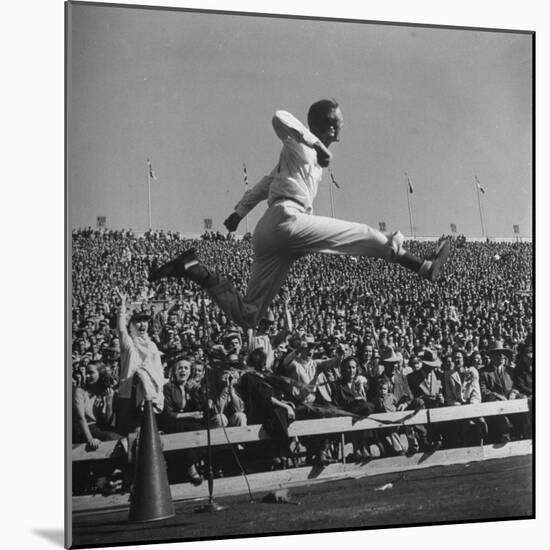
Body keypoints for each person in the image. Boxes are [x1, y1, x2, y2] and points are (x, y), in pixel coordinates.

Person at [149, 99, 451, 330]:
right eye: (341, 122)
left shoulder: (300, 159)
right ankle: (424, 266)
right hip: (287, 222)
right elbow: (279, 117)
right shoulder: (301, 148)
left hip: (270, 233)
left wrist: (239, 212)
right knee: (364, 234)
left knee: (250, 315)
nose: (344, 127)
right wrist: (317, 145)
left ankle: (193, 269)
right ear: (330, 128)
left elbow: (264, 185)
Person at [115, 289, 165, 435]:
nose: (142, 324)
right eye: (138, 321)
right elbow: (121, 330)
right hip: (129, 395)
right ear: (132, 324)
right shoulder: (129, 343)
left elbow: (159, 371)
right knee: (132, 435)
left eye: (145, 321)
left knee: (148, 435)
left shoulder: (152, 346)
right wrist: (123, 305)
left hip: (150, 395)